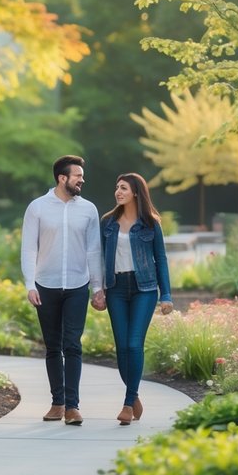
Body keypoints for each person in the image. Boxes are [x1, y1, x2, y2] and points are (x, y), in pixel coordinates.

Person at [20, 155, 105, 425]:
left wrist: (98, 287)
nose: (82, 179)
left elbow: (94, 250)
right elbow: (28, 248)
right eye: (78, 175)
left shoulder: (89, 209)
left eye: (82, 175)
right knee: (53, 347)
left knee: (73, 345)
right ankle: (57, 403)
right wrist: (29, 284)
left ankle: (73, 406)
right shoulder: (37, 208)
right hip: (46, 285)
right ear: (62, 178)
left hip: (78, 285)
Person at [100, 173, 173, 426]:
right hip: (116, 288)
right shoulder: (108, 222)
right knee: (121, 349)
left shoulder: (151, 224)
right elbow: (100, 258)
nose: (118, 192)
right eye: (116, 187)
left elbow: (161, 260)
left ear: (135, 193)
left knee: (133, 345)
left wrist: (166, 295)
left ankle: (128, 403)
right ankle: (135, 395)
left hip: (144, 288)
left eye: (123, 188)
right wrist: (97, 290)